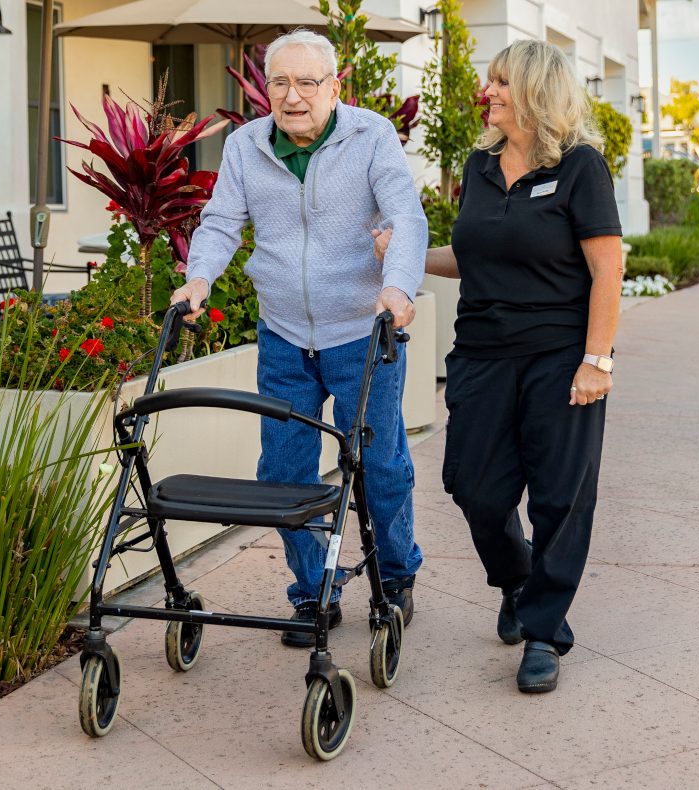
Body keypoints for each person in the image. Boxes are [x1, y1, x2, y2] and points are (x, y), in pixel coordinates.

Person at [374, 39, 622, 692]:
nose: (489, 92)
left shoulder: (580, 168)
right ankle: (517, 579)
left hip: (560, 356)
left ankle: (543, 631)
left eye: (501, 82)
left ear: (536, 90)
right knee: (471, 483)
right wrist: (407, 252)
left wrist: (597, 359)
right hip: (482, 352)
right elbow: (473, 252)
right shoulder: (479, 166)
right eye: (490, 82)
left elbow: (607, 267)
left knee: (558, 497)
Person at [171, 30, 427, 647]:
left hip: (361, 331)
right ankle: (315, 591)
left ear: (334, 86)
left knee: (379, 464)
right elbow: (221, 222)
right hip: (284, 333)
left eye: (307, 83)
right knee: (283, 475)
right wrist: (198, 279)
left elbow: (406, 218)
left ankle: (396, 577)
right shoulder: (245, 146)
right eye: (279, 83)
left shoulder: (370, 137)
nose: (291, 97)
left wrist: (398, 290)